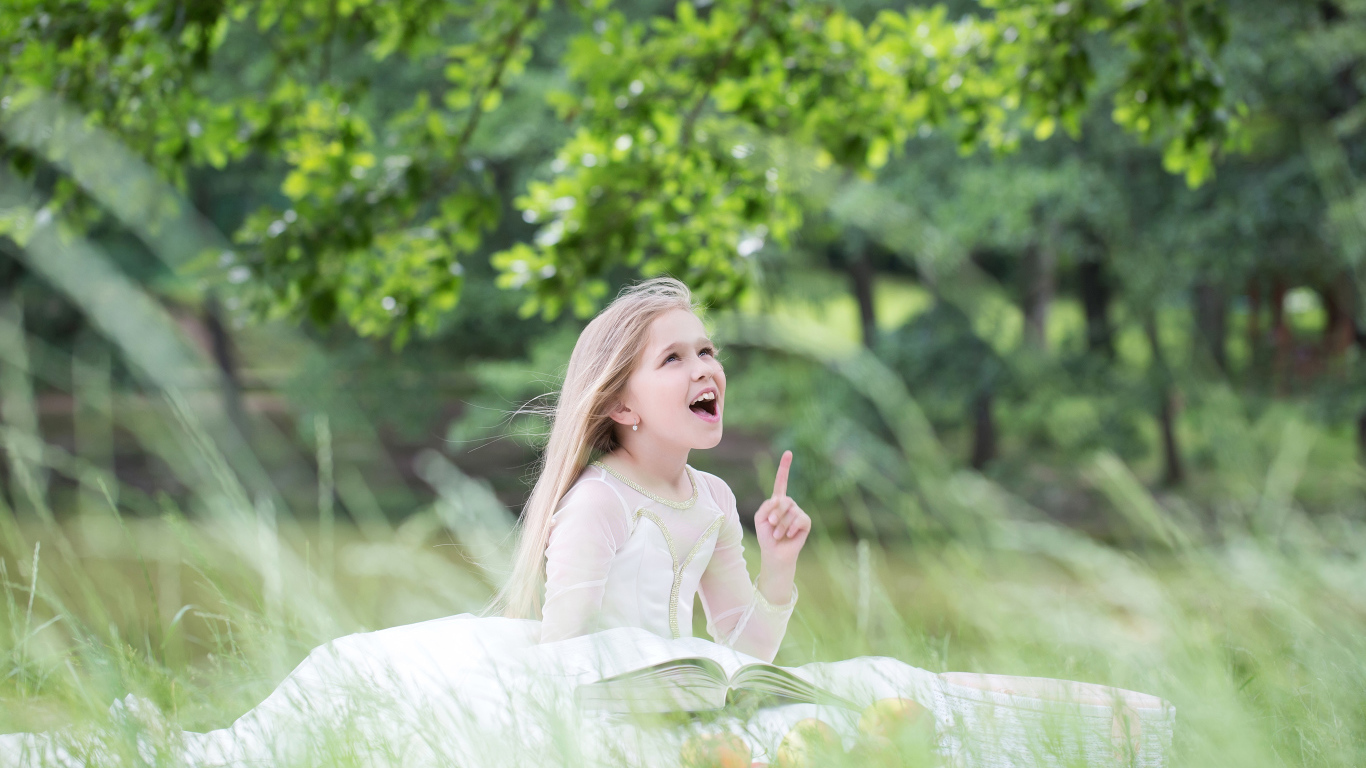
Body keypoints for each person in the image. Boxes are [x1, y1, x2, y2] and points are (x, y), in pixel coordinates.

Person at [1, 277, 1172, 768]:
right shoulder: (595, 507)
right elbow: (557, 666)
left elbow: (747, 654)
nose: (708, 366)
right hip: (597, 695)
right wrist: (677, 694)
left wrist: (776, 569)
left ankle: (1139, 725)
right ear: (619, 400)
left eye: (710, 349)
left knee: (887, 685)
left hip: (685, 682)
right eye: (678, 356)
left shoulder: (712, 499)